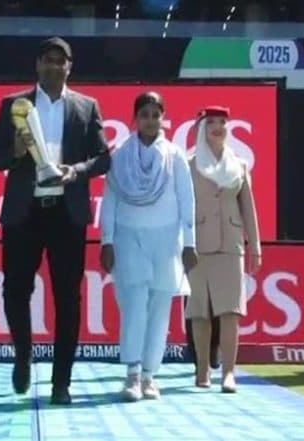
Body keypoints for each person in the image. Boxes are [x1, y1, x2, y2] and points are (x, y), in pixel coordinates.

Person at [0, 36, 111, 405]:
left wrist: (76, 171)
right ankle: (23, 355)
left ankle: (61, 383)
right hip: (24, 212)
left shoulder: (86, 107)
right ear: (37, 64)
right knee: (14, 292)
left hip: (66, 213)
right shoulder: (14, 105)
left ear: (70, 66)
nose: (54, 66)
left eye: (61, 60)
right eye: (47, 59)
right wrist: (15, 151)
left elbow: (103, 159)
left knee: (68, 299)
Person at [99, 91, 197, 401]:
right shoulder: (120, 156)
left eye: (156, 115)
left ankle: (150, 376)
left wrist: (190, 244)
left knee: (159, 307)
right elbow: (111, 200)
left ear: (163, 118)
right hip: (129, 237)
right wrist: (107, 241)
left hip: (167, 240)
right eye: (145, 114)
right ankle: (131, 374)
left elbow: (186, 200)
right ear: (135, 118)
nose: (151, 121)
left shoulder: (175, 155)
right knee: (134, 305)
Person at [185, 105, 261, 394]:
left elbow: (248, 209)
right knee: (200, 311)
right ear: (202, 128)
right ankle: (202, 369)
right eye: (211, 122)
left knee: (231, 311)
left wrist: (254, 244)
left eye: (222, 122)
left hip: (230, 244)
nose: (217, 127)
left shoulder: (239, 165)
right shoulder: (189, 163)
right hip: (197, 244)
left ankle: (229, 373)